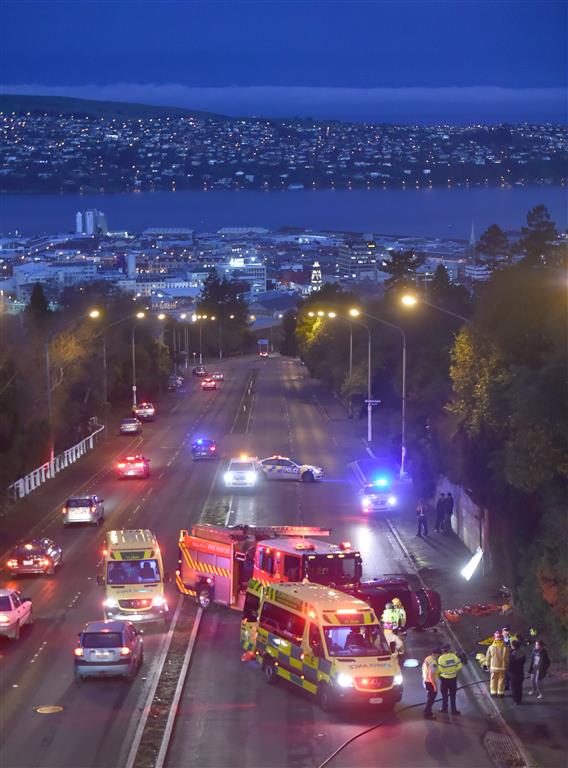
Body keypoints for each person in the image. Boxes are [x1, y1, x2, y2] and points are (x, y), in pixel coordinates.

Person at [438, 644, 463, 714]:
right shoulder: (453, 656)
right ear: (448, 650)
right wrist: (454, 671)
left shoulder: (441, 658)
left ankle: (444, 708)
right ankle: (453, 710)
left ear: (442, 651)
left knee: (444, 695)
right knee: (453, 695)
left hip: (444, 679)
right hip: (453, 678)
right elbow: (460, 666)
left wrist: (445, 672)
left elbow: (440, 670)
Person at [486, 630, 510, 697]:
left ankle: (493, 693)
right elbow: (507, 659)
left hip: (493, 668)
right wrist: (507, 666)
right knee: (501, 681)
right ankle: (500, 693)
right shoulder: (506, 648)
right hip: (502, 668)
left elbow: (488, 658)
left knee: (493, 680)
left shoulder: (491, 648)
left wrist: (487, 665)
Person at [422, 648, 441, 719]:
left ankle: (426, 710)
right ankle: (428, 714)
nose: (439, 655)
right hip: (430, 682)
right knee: (431, 698)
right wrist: (434, 686)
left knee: (429, 697)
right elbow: (431, 675)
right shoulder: (433, 663)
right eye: (439, 654)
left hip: (426, 680)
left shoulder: (428, 658)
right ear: (436, 654)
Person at [508, 639, 527, 704]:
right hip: (521, 672)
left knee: (514, 688)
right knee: (519, 687)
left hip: (513, 674)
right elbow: (524, 661)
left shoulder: (512, 654)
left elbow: (510, 664)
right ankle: (519, 699)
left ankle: (516, 700)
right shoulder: (522, 652)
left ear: (513, 646)